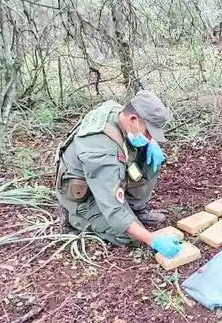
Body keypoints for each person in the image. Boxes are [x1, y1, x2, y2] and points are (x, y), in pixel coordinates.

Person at [54, 91, 182, 259]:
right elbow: (114, 209)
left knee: (151, 160)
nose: (150, 137)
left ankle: (136, 209)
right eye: (149, 132)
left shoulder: (120, 113)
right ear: (133, 120)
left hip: (104, 178)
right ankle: (77, 219)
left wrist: (151, 143)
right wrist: (152, 240)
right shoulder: (100, 152)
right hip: (85, 195)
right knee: (128, 234)